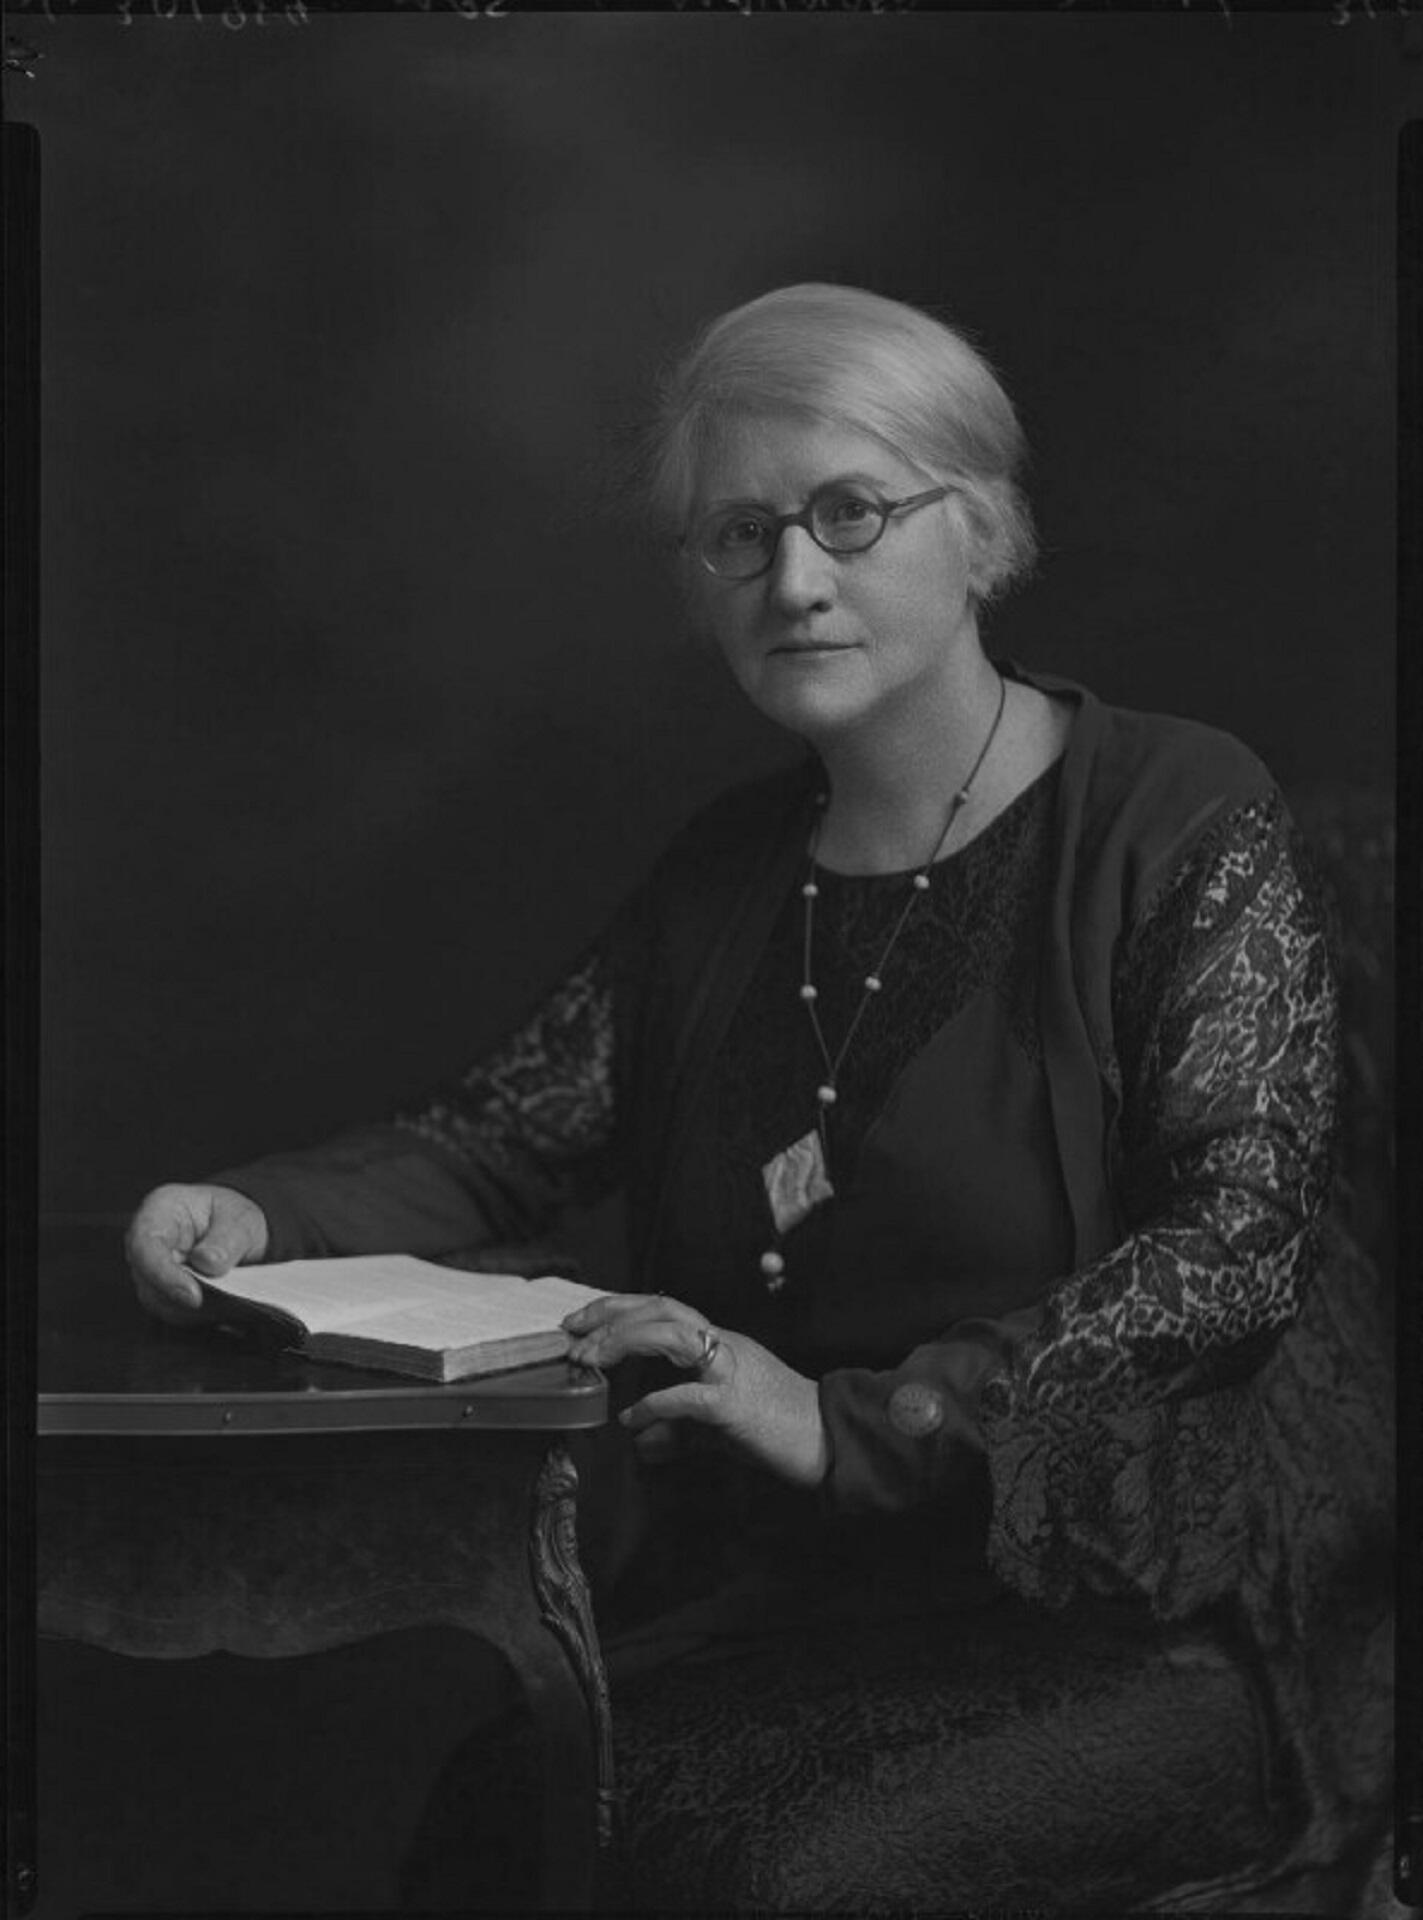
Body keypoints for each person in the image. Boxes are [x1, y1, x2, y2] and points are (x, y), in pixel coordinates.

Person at [125, 284, 1392, 1910]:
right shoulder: (724, 876)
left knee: (778, 1883)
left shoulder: (1172, 810)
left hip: (1139, 1608)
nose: (795, 580)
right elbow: (502, 1138)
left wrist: (845, 1419)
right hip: (806, 1604)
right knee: (500, 1807)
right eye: (741, 534)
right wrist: (258, 1213)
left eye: (851, 513)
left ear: (984, 528)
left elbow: (1235, 1248)